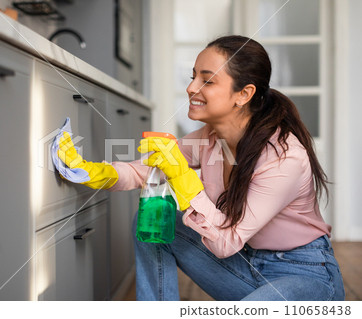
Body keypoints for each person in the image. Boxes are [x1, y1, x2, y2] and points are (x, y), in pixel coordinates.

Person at [57, 35, 345, 301]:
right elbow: (141, 170)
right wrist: (93, 171)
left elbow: (226, 242)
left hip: (302, 275)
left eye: (207, 81)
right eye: (193, 77)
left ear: (243, 94)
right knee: (152, 223)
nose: (191, 87)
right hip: (242, 265)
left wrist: (183, 178)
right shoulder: (208, 138)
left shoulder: (284, 158)